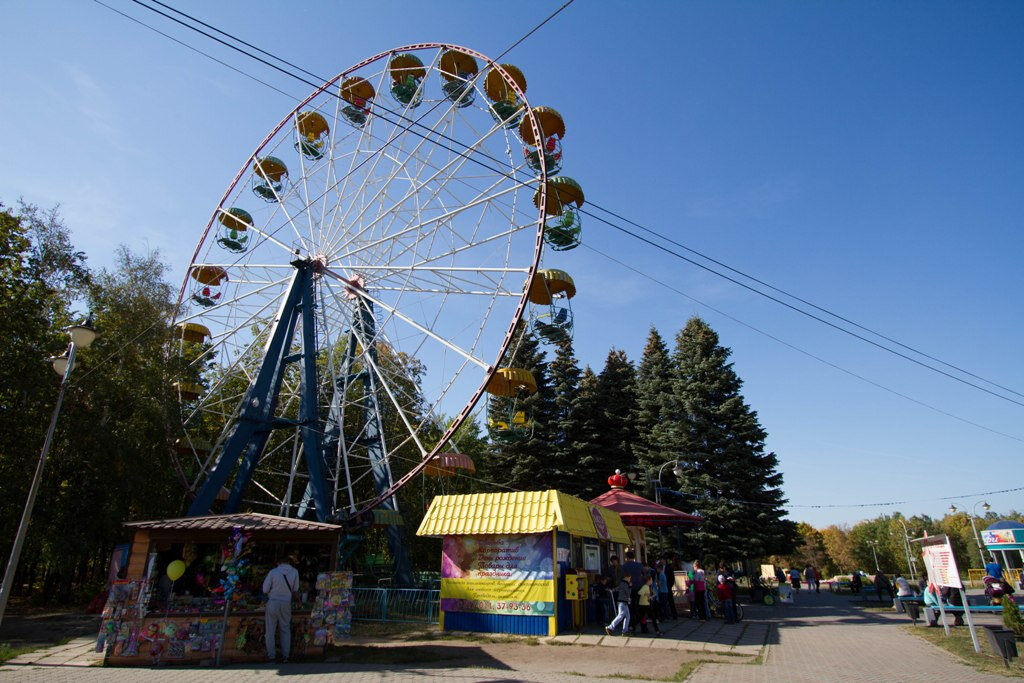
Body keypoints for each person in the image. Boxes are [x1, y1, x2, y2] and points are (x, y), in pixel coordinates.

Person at [262, 555, 300, 663]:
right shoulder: (294, 572)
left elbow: (265, 589)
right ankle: (285, 656)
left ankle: (271, 656)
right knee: (285, 629)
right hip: (286, 603)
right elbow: (296, 588)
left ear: (278, 562)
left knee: (270, 631)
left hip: (273, 602)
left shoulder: (273, 572)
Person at [621, 551, 644, 632]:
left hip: (630, 589)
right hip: (640, 588)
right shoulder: (639, 565)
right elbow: (644, 574)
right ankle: (643, 625)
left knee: (631, 608)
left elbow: (623, 577)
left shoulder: (624, 566)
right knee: (641, 606)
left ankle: (632, 625)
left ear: (627, 557)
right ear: (634, 557)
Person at [663, 555, 678, 620]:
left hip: (668, 586)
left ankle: (674, 615)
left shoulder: (668, 568)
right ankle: (666, 615)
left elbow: (672, 578)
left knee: (671, 601)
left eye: (662, 560)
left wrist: (669, 586)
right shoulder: (660, 568)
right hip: (663, 587)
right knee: (664, 602)